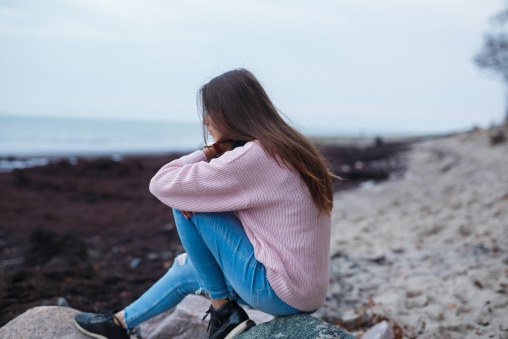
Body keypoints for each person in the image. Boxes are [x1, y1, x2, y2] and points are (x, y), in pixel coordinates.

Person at [74, 68, 337, 339]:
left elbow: (163, 183)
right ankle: (119, 324)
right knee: (189, 268)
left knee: (186, 203)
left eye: (210, 111)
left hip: (277, 290)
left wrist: (209, 150)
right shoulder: (290, 147)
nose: (205, 120)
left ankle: (223, 313)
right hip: (305, 291)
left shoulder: (255, 156)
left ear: (230, 112)